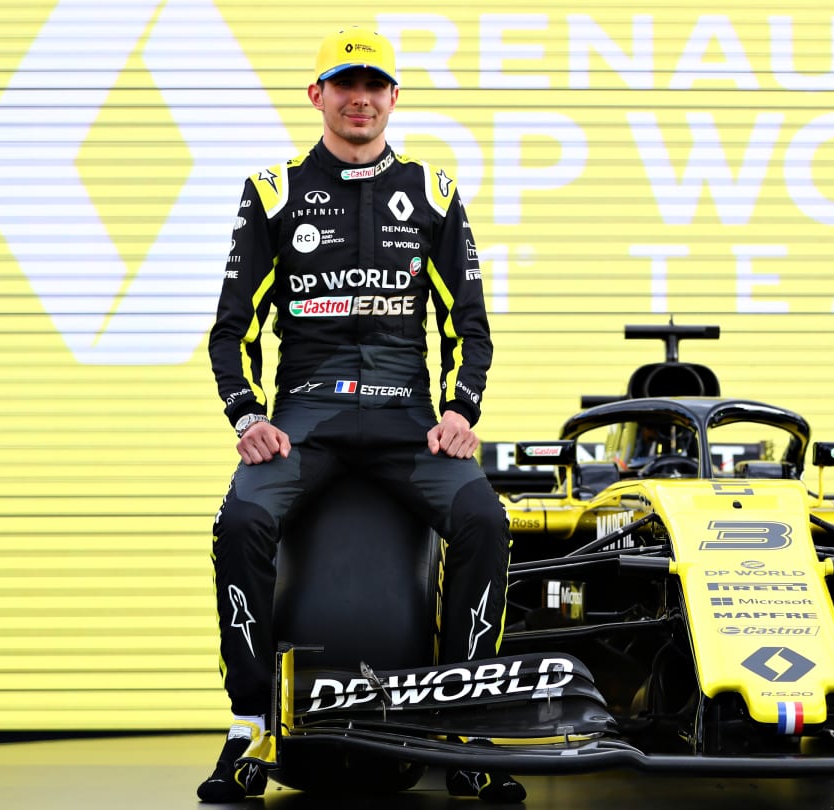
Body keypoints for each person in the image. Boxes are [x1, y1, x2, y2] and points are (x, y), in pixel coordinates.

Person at [197, 26, 524, 804]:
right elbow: (230, 328)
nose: (361, 98)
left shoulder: (433, 190)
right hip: (305, 420)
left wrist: (459, 409)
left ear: (393, 98)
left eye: (375, 85)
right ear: (318, 95)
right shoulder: (273, 191)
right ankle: (250, 726)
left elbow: (468, 327)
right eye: (345, 84)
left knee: (487, 522)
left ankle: (463, 725)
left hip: (408, 422)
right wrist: (248, 419)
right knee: (236, 524)